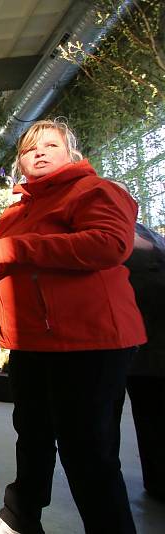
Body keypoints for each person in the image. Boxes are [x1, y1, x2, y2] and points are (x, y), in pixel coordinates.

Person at [0, 119, 146, 534]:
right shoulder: (18, 210)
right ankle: (20, 516)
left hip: (89, 340)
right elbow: (20, 261)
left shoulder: (97, 191)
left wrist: (9, 249)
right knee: (31, 435)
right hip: (32, 341)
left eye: (51, 145)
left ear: (71, 154)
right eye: (30, 149)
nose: (40, 152)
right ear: (21, 162)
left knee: (89, 451)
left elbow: (109, 244)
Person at [109, 180, 165, 503]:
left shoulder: (146, 232)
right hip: (119, 341)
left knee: (154, 417)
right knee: (106, 421)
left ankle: (157, 480)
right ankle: (105, 482)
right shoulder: (107, 233)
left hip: (155, 344)